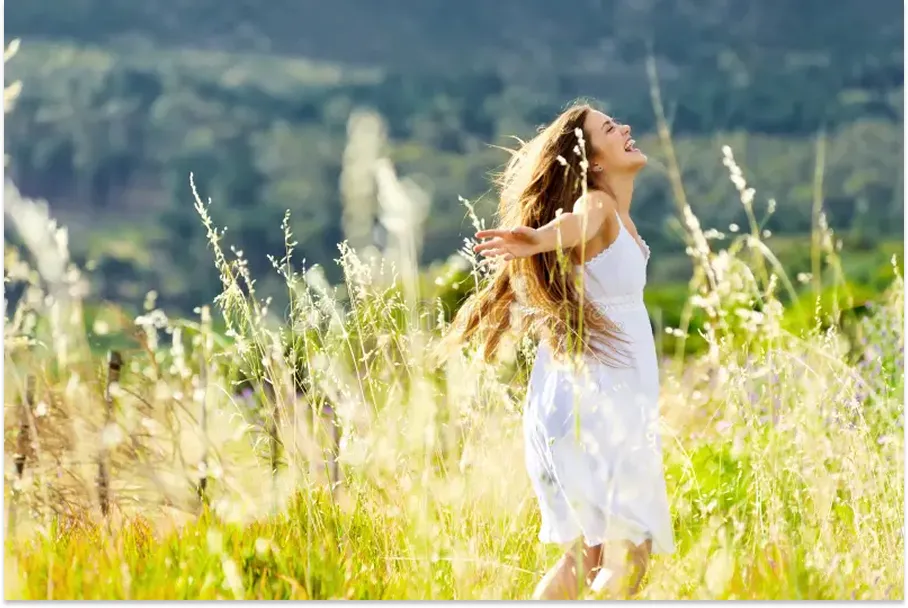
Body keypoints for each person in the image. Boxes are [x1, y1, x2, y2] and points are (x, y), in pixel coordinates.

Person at [446, 103, 675, 599]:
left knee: (587, 558)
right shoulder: (599, 205)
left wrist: (541, 240)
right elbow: (572, 224)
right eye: (611, 129)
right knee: (628, 551)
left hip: (570, 402)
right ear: (592, 162)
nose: (627, 128)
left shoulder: (611, 212)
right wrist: (539, 240)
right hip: (598, 404)